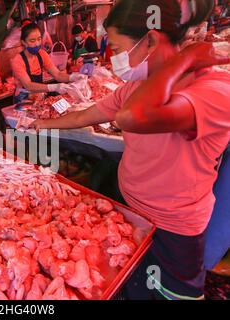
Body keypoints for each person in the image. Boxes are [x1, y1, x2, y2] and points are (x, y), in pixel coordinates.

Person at [31, 0, 230, 300]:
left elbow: (132, 117)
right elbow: (85, 116)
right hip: (131, 215)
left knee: (169, 295)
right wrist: (41, 124)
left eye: (117, 46)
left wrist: (181, 61)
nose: (114, 57)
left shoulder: (213, 87)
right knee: (133, 287)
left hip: (173, 232)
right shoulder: (136, 88)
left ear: (150, 38)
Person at [11, 22, 84, 103]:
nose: (37, 44)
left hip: (38, 96)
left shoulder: (42, 54)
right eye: (32, 41)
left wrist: (73, 77)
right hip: (23, 99)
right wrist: (54, 87)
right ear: (24, 42)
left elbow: (57, 74)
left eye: (39, 39)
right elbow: (28, 85)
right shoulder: (17, 60)